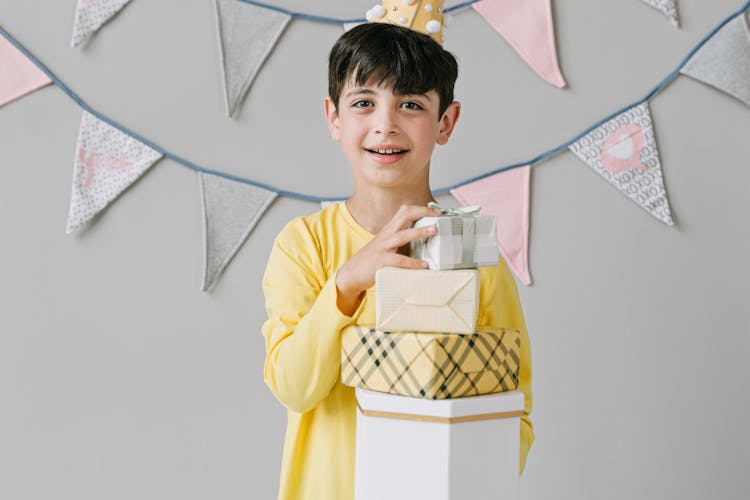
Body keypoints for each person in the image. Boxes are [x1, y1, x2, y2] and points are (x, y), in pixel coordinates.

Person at [261, 21, 533, 500]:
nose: (385, 124)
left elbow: (513, 409)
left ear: (445, 122)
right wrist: (346, 283)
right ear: (334, 117)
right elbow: (294, 388)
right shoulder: (304, 245)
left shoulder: (476, 258)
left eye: (410, 104)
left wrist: (467, 478)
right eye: (364, 102)